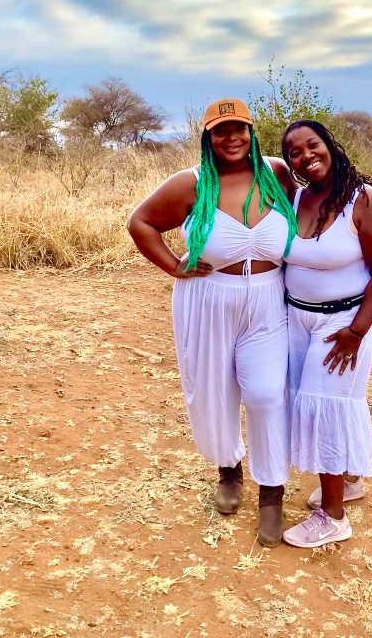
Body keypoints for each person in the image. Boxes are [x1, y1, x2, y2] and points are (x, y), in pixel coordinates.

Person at [127, 99, 297, 547]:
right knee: (213, 391)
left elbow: (321, 200)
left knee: (265, 394)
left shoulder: (277, 175)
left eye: (239, 128)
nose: (232, 138)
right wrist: (173, 266)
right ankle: (228, 471)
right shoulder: (191, 183)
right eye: (221, 131)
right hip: (207, 297)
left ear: (252, 131)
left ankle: (272, 494)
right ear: (207, 138)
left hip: (267, 298)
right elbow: (140, 222)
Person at [279, 120, 372, 548]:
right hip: (297, 318)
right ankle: (348, 479)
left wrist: (357, 330)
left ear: (329, 145)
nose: (306, 156)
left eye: (312, 145)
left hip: (345, 323)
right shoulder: (293, 198)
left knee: (326, 405)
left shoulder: (362, 200)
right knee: (306, 398)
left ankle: (333, 517)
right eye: (295, 152)